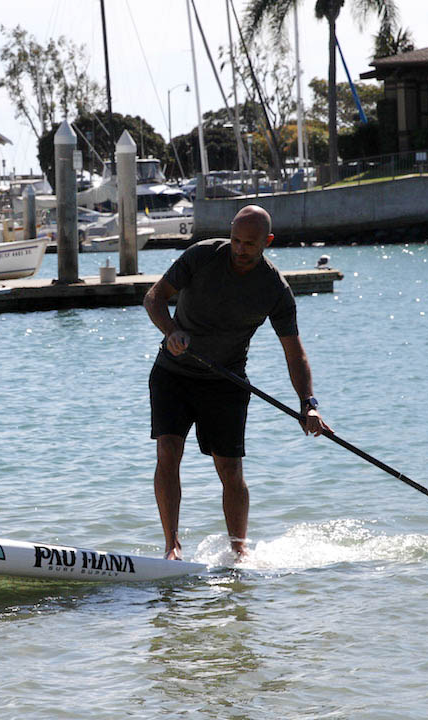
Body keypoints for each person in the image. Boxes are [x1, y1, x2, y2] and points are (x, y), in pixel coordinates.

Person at [143, 205, 330, 561]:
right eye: (236, 241)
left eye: (250, 244)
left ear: (267, 242)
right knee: (168, 451)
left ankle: (239, 551)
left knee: (230, 468)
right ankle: (172, 546)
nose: (240, 250)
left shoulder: (274, 289)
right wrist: (171, 332)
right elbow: (154, 297)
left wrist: (309, 404)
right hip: (173, 374)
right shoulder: (201, 256)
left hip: (226, 381)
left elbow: (295, 353)